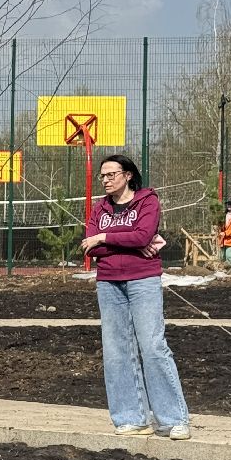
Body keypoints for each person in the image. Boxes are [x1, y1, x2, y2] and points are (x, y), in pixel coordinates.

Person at [81, 154, 191, 440]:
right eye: (102, 176)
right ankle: (131, 419)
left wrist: (104, 238)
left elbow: (143, 237)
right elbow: (88, 247)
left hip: (143, 280)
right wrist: (122, 241)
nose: (105, 180)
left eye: (111, 174)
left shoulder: (148, 201)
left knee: (153, 346)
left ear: (128, 175)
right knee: (116, 351)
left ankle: (173, 419)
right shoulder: (99, 208)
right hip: (108, 283)